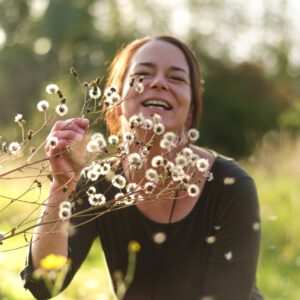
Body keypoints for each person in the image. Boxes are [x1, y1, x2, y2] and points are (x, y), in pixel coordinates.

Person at [21, 35, 264, 300]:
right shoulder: (98, 184)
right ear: (115, 104)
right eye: (143, 74)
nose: (159, 83)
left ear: (192, 109)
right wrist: (62, 187)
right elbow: (44, 283)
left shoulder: (231, 186)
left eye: (176, 78)